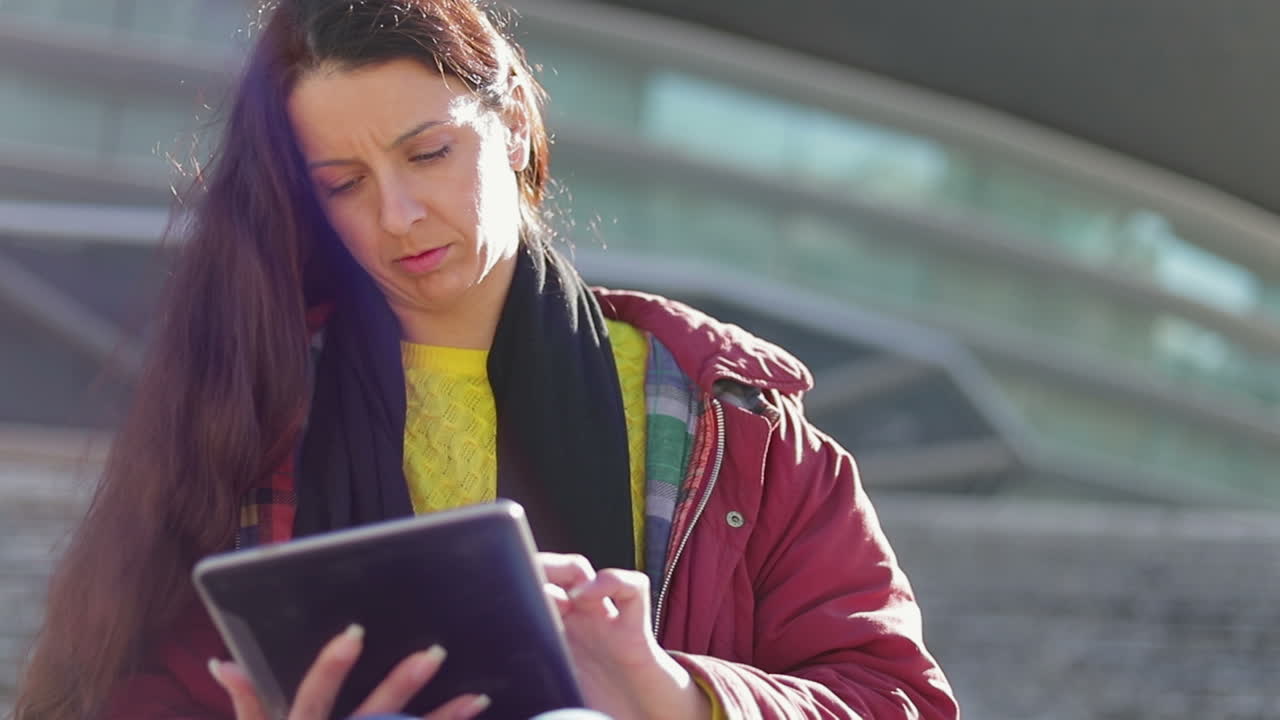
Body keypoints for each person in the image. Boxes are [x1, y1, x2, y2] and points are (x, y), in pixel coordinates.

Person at [14, 0, 959, 718]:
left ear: (509, 125)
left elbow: (897, 698)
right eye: (341, 185)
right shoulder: (249, 419)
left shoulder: (731, 419)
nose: (395, 217)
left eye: (428, 153)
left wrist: (671, 694)